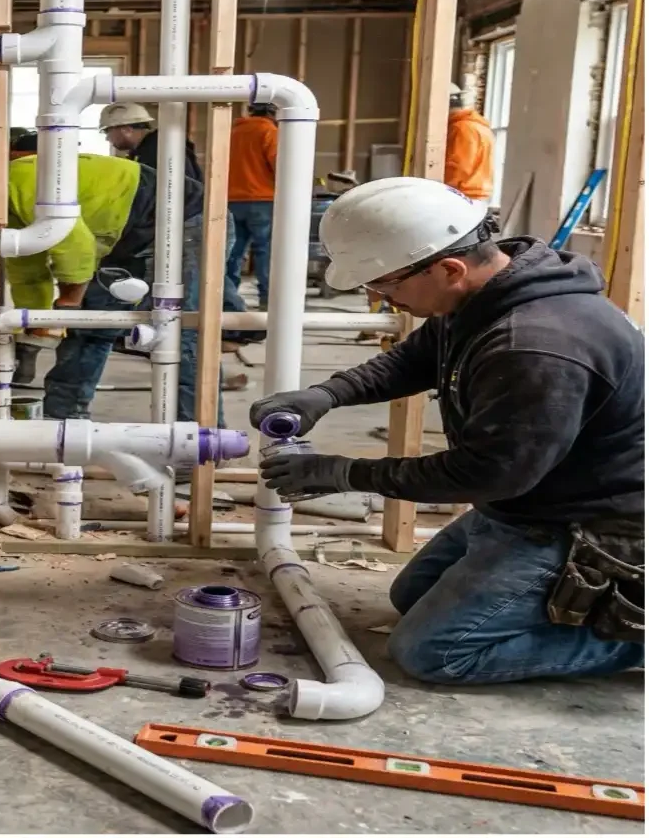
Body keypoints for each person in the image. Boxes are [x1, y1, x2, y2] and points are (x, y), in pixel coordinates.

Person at [251, 177, 643, 685]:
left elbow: (488, 474)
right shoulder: (485, 298)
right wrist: (327, 394)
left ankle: (624, 636)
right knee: (408, 597)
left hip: (581, 526)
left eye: (385, 285)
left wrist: (346, 473)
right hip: (527, 503)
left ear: (449, 267)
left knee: (430, 652)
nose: (378, 297)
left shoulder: (537, 345)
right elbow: (416, 359)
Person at [0, 150, 225, 426]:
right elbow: (28, 273)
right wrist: (34, 328)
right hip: (124, 235)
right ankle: (62, 425)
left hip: (182, 219)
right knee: (86, 329)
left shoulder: (22, 182)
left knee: (182, 335)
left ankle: (198, 439)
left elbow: (76, 245)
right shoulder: (5, 211)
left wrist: (69, 302)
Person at [99, 101, 254, 349]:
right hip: (197, 219)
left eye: (109, 132)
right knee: (206, 280)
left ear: (125, 129)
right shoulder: (154, 148)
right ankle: (241, 328)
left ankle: (195, 369)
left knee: (183, 305)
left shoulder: (158, 151)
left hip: (192, 222)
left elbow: (168, 200)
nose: (109, 139)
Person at [226, 102, 279, 309]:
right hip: (262, 200)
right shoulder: (269, 131)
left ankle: (228, 301)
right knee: (265, 251)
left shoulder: (233, 132)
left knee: (232, 253)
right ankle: (268, 300)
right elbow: (279, 164)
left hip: (231, 200)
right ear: (272, 111)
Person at [444, 83, 495, 205]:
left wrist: (438, 191)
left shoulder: (461, 128)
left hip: (462, 196)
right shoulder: (478, 126)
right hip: (477, 196)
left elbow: (458, 167)